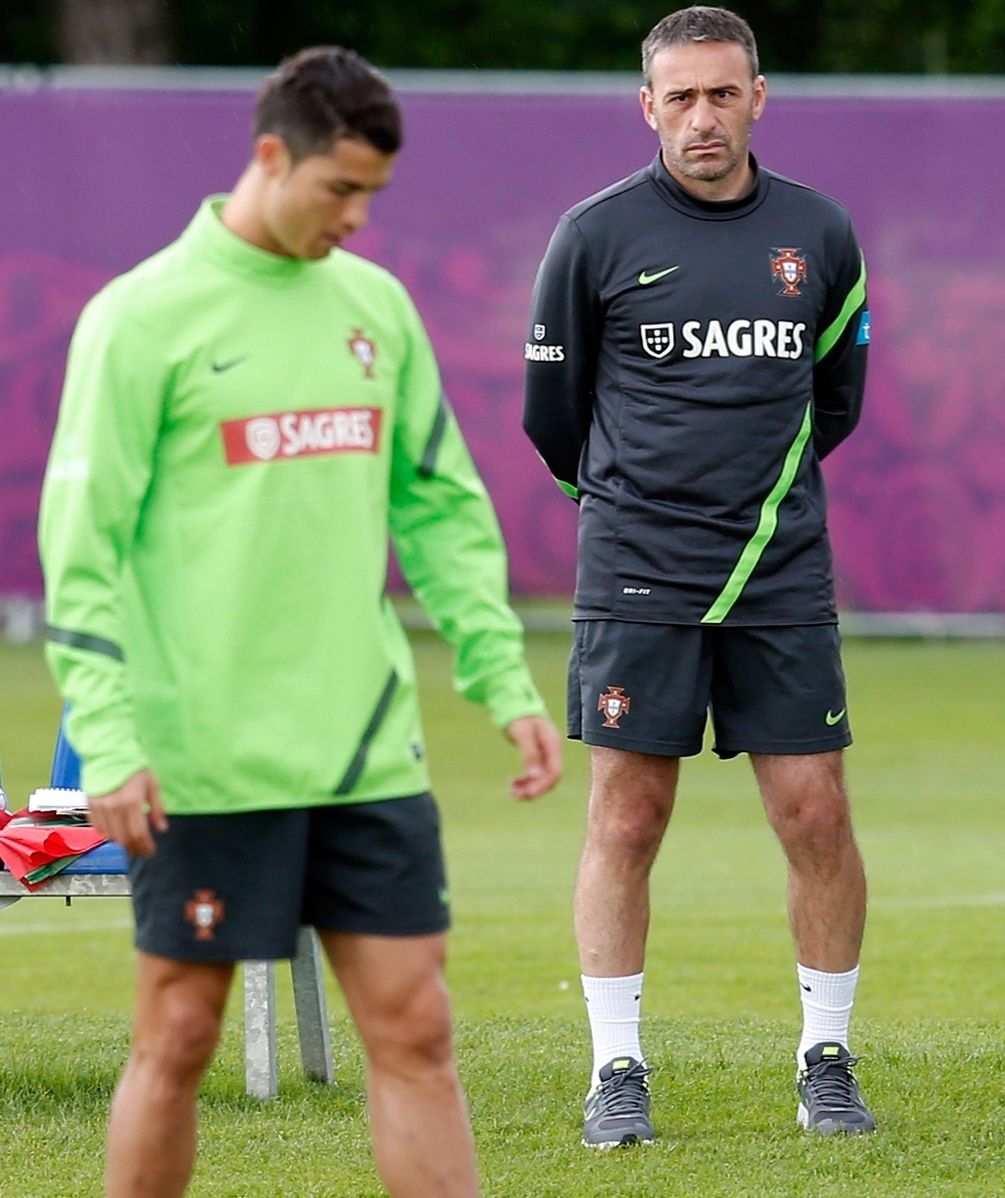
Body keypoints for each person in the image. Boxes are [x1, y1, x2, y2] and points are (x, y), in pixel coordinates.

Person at [40, 46, 561, 1198]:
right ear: (270, 156)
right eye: (340, 188)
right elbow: (82, 554)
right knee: (176, 1036)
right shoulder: (139, 320)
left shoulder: (374, 308)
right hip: (205, 762)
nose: (359, 218)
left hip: (364, 751)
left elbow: (439, 509)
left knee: (418, 1029)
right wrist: (111, 740)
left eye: (375, 192)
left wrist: (503, 680)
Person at [523, 5, 874, 1147]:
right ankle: (615, 1068)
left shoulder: (819, 235)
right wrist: (635, 514)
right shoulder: (593, 235)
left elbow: (836, 404)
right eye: (679, 97)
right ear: (648, 108)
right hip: (636, 576)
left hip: (778, 576)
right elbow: (551, 418)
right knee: (627, 817)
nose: (702, 116)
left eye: (722, 93)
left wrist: (752, 507)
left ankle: (826, 1054)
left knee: (814, 812)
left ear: (758, 97)